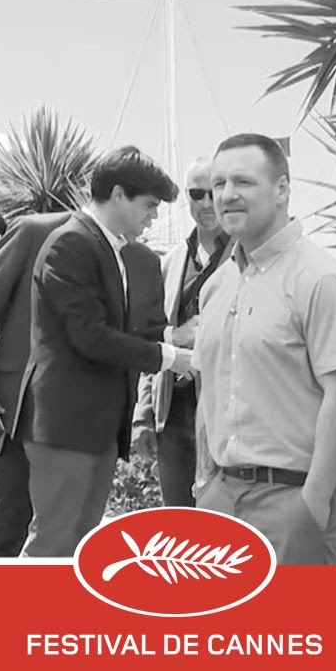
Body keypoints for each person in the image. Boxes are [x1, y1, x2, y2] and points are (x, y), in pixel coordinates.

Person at [194, 133, 336, 565]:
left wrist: (313, 502)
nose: (226, 195)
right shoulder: (217, 286)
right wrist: (204, 484)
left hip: (293, 502)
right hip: (219, 499)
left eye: (243, 182)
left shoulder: (321, 281)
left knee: (300, 633)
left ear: (283, 190)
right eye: (218, 185)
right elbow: (208, 385)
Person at [20, 146, 191, 557]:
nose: (153, 218)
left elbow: (121, 329)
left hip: (93, 431)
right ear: (118, 195)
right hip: (67, 429)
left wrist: (171, 338)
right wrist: (171, 358)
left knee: (74, 547)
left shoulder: (108, 248)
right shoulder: (71, 245)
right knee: (51, 547)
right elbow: (92, 337)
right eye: (148, 206)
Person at [132, 158, 231, 507]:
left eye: (214, 192)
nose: (206, 203)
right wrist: (143, 415)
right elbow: (151, 341)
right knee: (180, 525)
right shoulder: (169, 262)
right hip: (172, 414)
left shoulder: (245, 256)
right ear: (186, 198)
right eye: (196, 194)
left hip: (227, 416)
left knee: (228, 528)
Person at [0, 210, 71, 556]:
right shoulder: (32, 233)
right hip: (10, 417)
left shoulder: (127, 251)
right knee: (7, 529)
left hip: (64, 423)